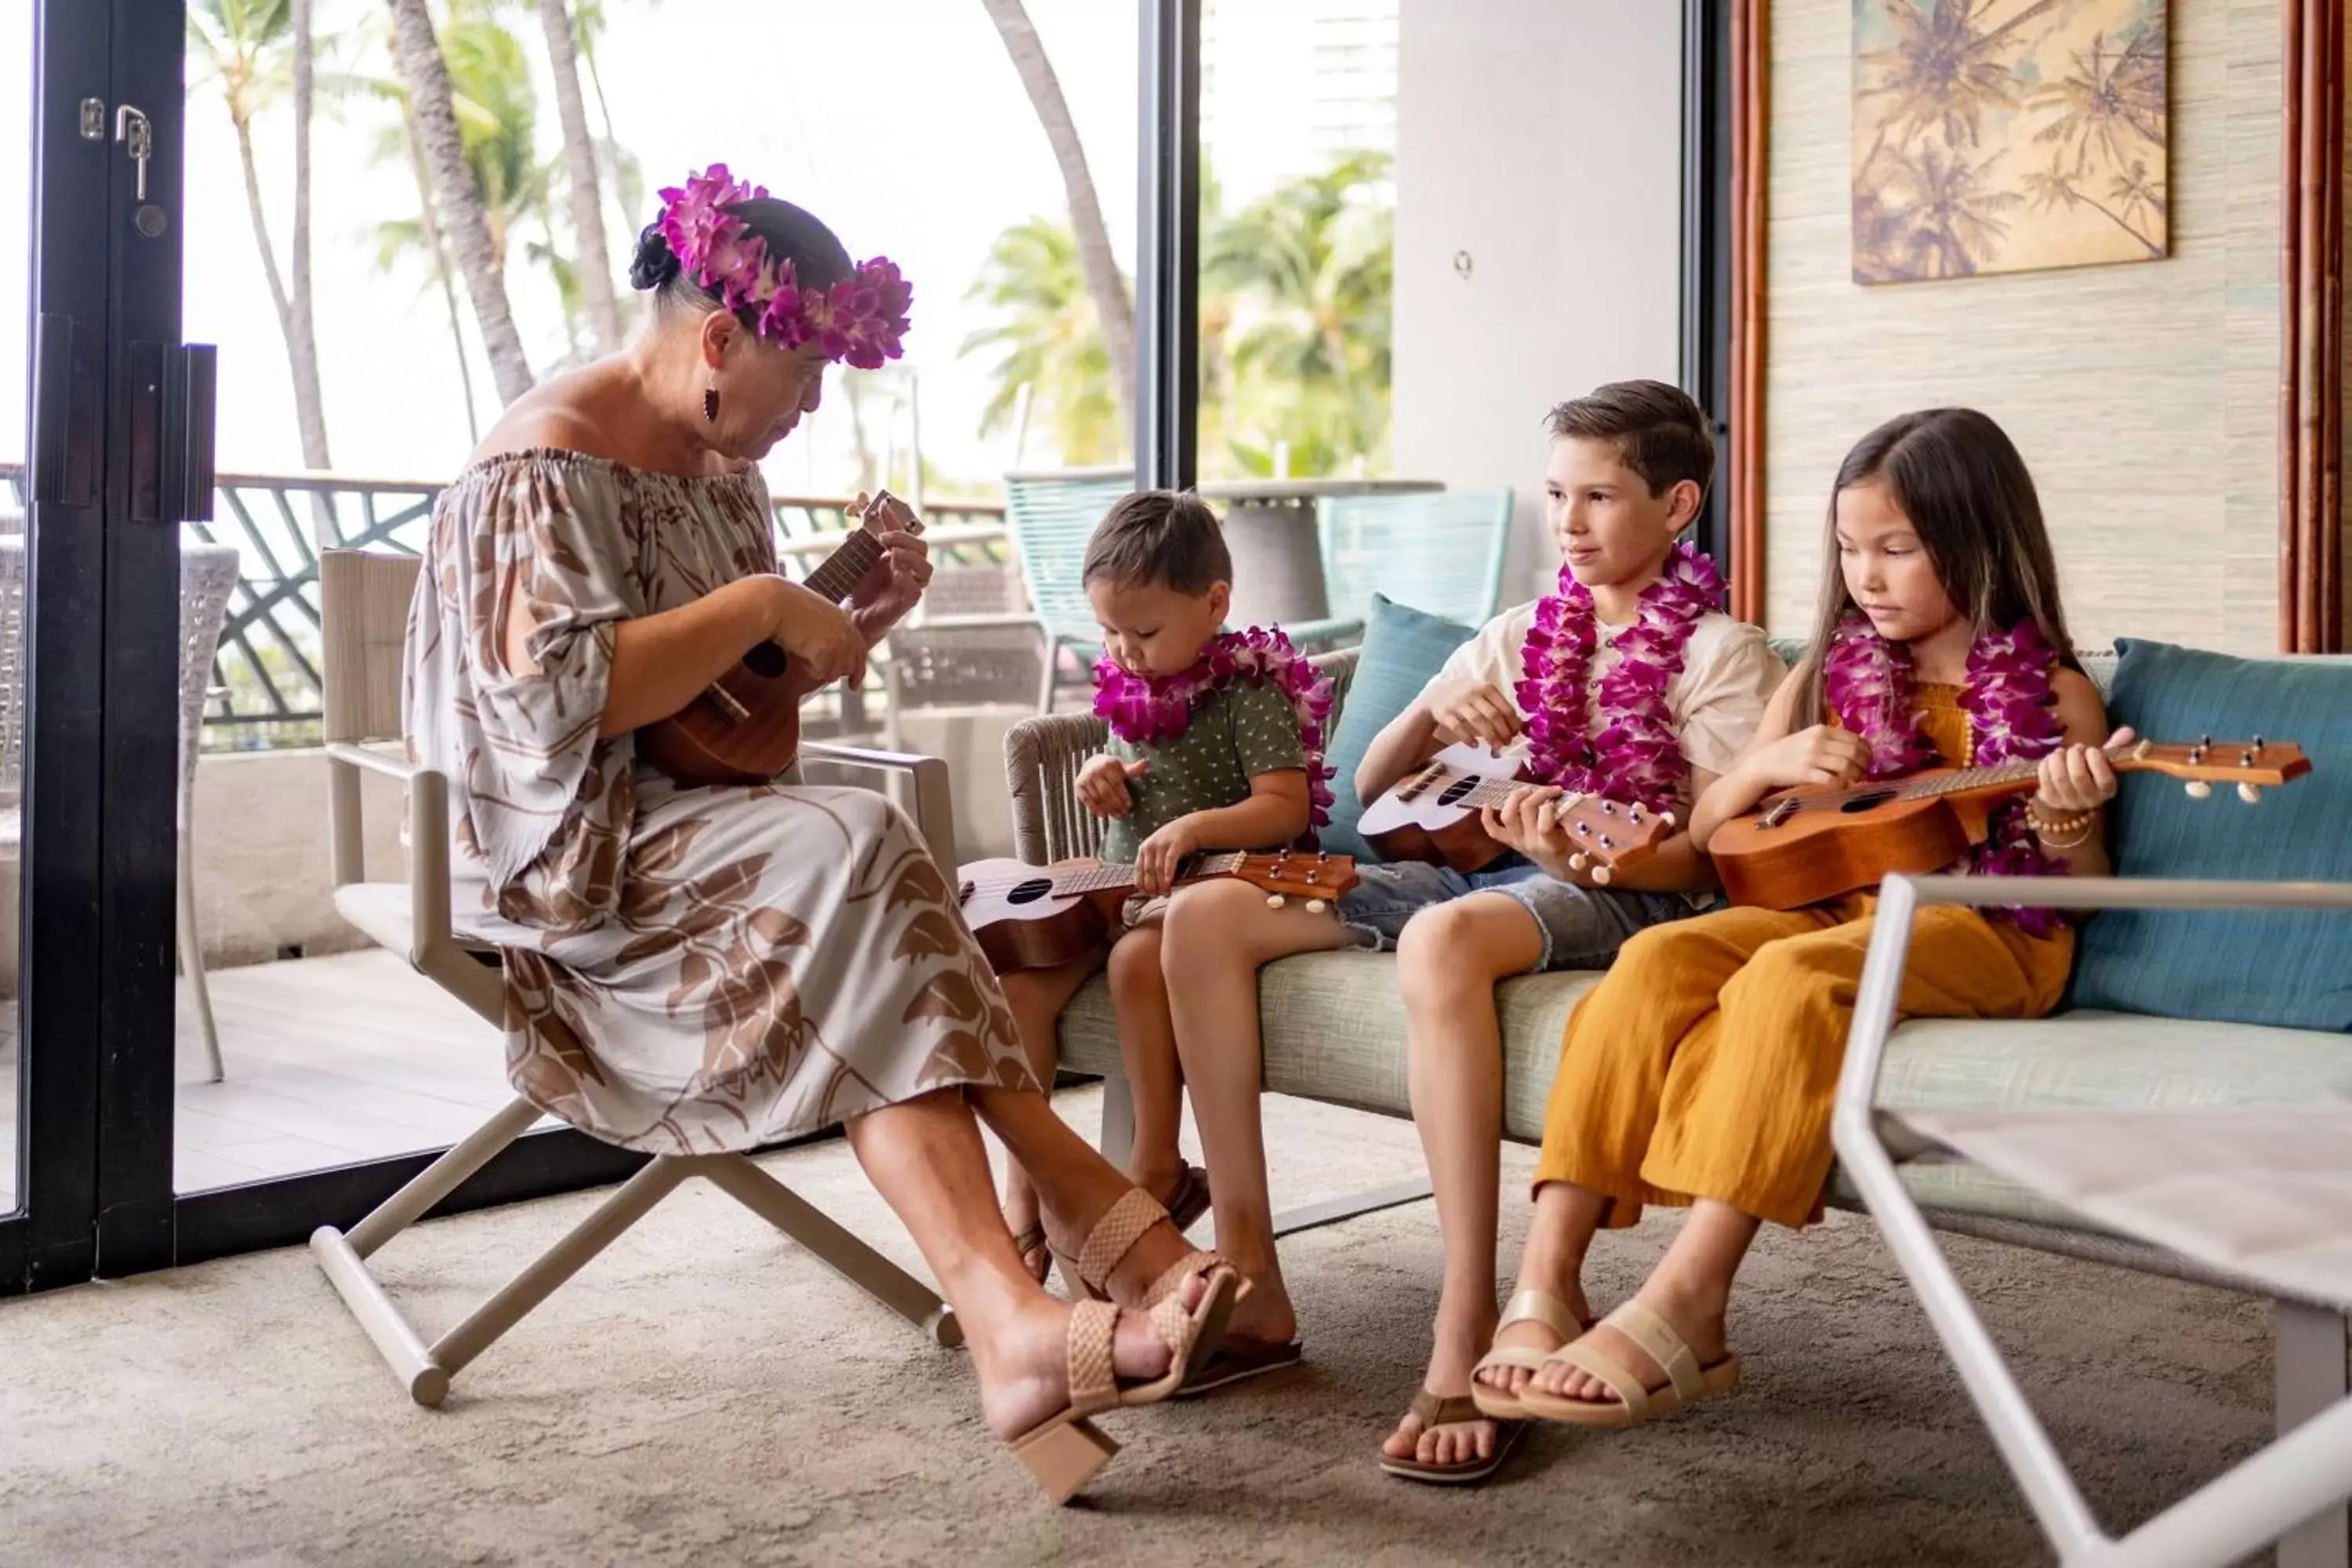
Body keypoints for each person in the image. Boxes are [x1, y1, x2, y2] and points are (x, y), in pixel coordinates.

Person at [402, 165, 1236, 1501]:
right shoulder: (546, 461)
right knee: (868, 853)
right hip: (571, 867)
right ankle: (1089, 1225)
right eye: (806, 373)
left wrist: (840, 631)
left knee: (868, 863)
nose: (815, 408)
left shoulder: (723, 463)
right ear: (720, 339)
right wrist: (763, 607)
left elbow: (733, 720)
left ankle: (1017, 1323)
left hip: (707, 837)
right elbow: (559, 702)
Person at [1472, 406, 2126, 1444]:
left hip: (1988, 927)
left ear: (1978, 539)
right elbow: (1711, 825)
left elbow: (2076, 885)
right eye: (1849, 549)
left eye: (1897, 550)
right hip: (1831, 906)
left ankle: (1692, 1302)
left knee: (1788, 983)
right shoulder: (1827, 674)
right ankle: (1547, 1283)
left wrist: (2065, 816)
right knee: (1657, 956)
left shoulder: (2052, 695)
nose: (1866, 576)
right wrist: (1769, 766)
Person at [1157, 381, 1784, 1456]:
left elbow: (1711, 852)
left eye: (1600, 496)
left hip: (1621, 895)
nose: (1572, 524)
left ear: (1679, 507)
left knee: (1448, 935)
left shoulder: (1720, 654)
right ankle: (1255, 1276)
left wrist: (1579, 842)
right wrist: (1437, 712)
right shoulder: (1524, 631)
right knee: (1204, 918)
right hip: (1481, 875)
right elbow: (1371, 785)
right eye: (1556, 496)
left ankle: (1466, 1321)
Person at [994, 492, 1331, 1284]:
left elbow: (1283, 805)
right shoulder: (1133, 682)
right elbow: (1134, 776)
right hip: (1123, 883)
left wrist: (1195, 827)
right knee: (1016, 976)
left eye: (1143, 632)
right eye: (1109, 632)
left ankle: (1157, 1163)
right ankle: (1029, 1190)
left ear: (1215, 604)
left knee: (1136, 963)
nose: (1126, 651)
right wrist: (1097, 772)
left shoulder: (1249, 692)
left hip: (1212, 887)